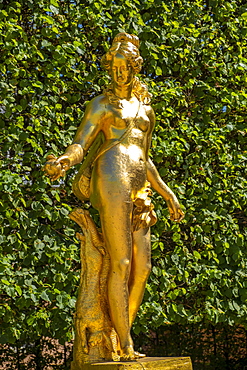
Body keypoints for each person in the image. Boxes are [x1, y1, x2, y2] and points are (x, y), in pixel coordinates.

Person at [43, 32, 184, 360]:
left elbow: (145, 158)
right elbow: (82, 143)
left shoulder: (145, 109)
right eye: (114, 67)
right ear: (110, 67)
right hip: (111, 179)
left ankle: (118, 336)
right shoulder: (102, 104)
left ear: (135, 66)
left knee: (143, 267)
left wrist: (168, 194)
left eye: (125, 67)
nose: (119, 73)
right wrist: (64, 161)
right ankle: (126, 343)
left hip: (139, 189)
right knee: (120, 262)